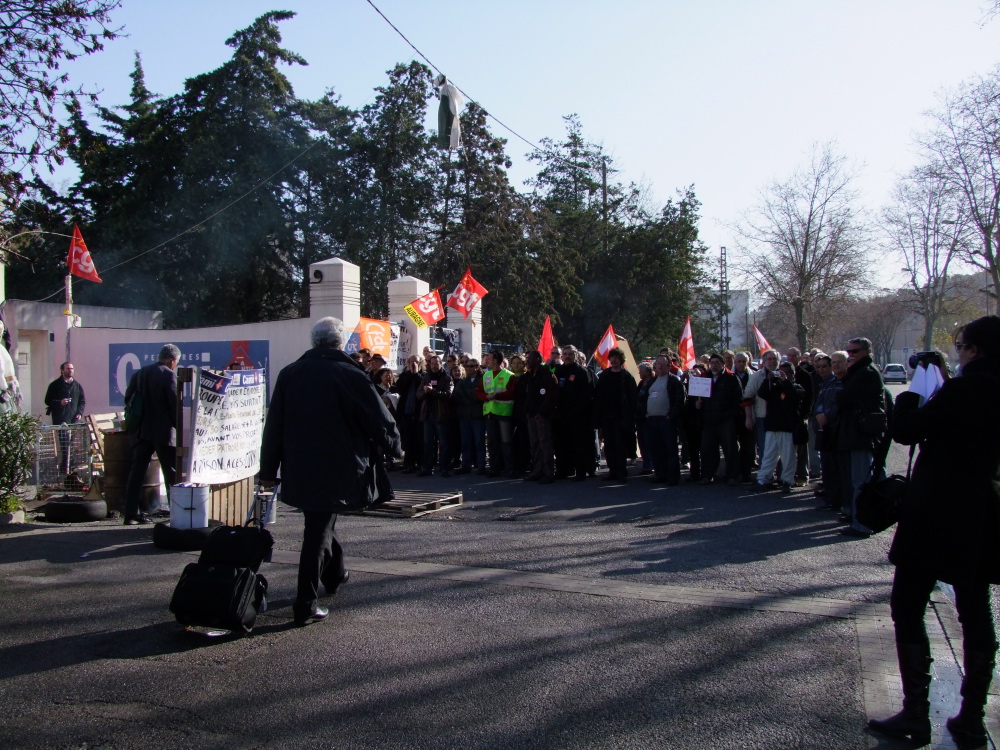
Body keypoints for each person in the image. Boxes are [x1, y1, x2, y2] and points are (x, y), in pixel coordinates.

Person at [867, 316, 1000, 749]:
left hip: (938, 510)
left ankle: (916, 711)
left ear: (975, 349)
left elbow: (908, 430)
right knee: (976, 610)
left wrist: (907, 398)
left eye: (961, 345)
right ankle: (972, 716)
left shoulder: (964, 389)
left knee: (908, 604)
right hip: (985, 512)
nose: (958, 352)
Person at [260, 318, 400, 627]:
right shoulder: (350, 375)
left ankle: (335, 574)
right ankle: (305, 603)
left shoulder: (290, 374)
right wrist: (396, 448)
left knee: (320, 519)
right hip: (340, 465)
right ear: (340, 344)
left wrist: (268, 470)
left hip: (300, 464)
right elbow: (378, 418)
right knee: (318, 529)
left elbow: (275, 426)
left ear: (314, 342)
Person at [123, 345, 180, 525]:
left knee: (137, 472)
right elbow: (174, 405)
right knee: (171, 473)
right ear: (172, 360)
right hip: (162, 432)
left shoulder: (140, 373)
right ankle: (177, 513)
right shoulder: (168, 375)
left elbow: (128, 399)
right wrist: (180, 427)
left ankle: (131, 514)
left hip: (141, 431)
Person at [836, 337, 886, 538]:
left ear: (866, 351)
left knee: (862, 479)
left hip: (862, 432)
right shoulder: (862, 372)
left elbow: (844, 398)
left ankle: (862, 522)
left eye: (855, 351)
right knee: (868, 476)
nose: (851, 355)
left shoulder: (866, 372)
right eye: (849, 351)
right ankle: (864, 517)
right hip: (862, 430)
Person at [751, 361, 803, 494]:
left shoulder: (795, 387)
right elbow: (762, 393)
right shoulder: (774, 388)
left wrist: (785, 382)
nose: (781, 375)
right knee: (768, 455)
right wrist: (768, 380)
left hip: (787, 427)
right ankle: (763, 479)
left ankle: (787, 480)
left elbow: (795, 397)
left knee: (788, 456)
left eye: (785, 373)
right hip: (772, 426)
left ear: (791, 374)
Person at [696, 353, 744, 486]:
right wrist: (698, 404)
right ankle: (707, 475)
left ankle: (733, 475)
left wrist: (731, 416)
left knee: (730, 449)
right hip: (708, 420)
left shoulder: (731, 378)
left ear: (723, 364)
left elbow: (738, 399)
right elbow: (698, 397)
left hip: (726, 420)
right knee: (707, 450)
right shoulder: (705, 378)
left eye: (717, 362)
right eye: (712, 363)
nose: (714, 365)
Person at [593, 347, 637, 484]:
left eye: (617, 358)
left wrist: (630, 416)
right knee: (609, 445)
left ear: (621, 360)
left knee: (620, 444)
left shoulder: (626, 377)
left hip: (621, 416)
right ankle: (612, 471)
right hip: (606, 416)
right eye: (612, 358)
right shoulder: (604, 375)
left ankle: (621, 472)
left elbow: (632, 398)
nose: (614, 361)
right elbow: (598, 396)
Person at [553, 345, 595, 481]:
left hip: (578, 416)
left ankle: (581, 472)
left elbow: (588, 394)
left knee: (579, 445)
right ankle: (564, 470)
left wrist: (577, 409)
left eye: (570, 354)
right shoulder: (559, 371)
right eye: (564, 354)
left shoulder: (582, 371)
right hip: (561, 415)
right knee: (562, 444)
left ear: (576, 356)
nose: (567, 356)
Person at [645, 355, 685, 484]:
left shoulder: (674, 381)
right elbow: (643, 398)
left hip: (666, 420)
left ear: (669, 365)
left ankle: (673, 477)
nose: (660, 366)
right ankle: (660, 474)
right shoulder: (651, 381)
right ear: (655, 366)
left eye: (663, 363)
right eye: (658, 363)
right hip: (652, 420)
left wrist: (671, 415)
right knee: (656, 449)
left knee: (670, 449)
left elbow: (680, 400)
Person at [522, 350, 559, 483]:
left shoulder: (545, 373)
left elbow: (551, 395)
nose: (527, 361)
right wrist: (527, 412)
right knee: (535, 444)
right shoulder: (531, 374)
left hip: (542, 416)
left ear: (538, 359)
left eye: (529, 358)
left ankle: (548, 473)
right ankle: (537, 471)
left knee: (545, 444)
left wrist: (542, 412)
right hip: (532, 415)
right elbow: (529, 395)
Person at [478, 349, 516, 477]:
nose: (486, 360)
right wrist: (485, 396)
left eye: (489, 358)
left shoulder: (509, 375)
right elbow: (479, 392)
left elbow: (512, 393)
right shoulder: (486, 375)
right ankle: (494, 468)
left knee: (506, 442)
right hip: (490, 413)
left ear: (495, 360)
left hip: (504, 413)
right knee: (492, 442)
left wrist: (497, 395)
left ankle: (510, 468)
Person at [44, 362, 86, 475]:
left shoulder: (77, 386)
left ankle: (70, 467)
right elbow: (48, 401)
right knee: (64, 443)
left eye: (72, 368)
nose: (70, 370)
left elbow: (82, 401)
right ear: (62, 370)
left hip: (73, 418)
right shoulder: (54, 385)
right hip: (60, 418)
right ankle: (65, 468)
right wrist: (60, 403)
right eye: (68, 368)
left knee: (71, 443)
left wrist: (79, 413)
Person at [416, 354, 454, 477]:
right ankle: (427, 468)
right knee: (428, 443)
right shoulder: (426, 377)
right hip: (428, 414)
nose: (434, 365)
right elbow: (419, 394)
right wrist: (426, 392)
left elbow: (448, 394)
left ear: (440, 364)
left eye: (436, 363)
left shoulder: (447, 378)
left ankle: (444, 468)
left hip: (441, 414)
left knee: (443, 443)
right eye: (431, 363)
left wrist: (433, 391)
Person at [453, 359, 486, 474]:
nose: (468, 368)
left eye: (471, 366)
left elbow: (481, 395)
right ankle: (466, 465)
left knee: (479, 442)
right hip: (465, 416)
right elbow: (458, 396)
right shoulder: (462, 382)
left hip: (478, 416)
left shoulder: (482, 380)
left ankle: (481, 465)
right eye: (467, 366)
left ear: (477, 367)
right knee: (466, 442)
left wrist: (470, 395)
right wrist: (473, 395)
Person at [394, 355, 425, 473]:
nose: (414, 364)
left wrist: (416, 373)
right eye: (411, 362)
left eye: (416, 362)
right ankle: (408, 463)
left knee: (419, 438)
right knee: (408, 439)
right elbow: (400, 389)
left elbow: (420, 387)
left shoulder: (423, 375)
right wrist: (409, 374)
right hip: (406, 411)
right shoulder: (404, 375)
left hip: (419, 412)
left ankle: (420, 463)